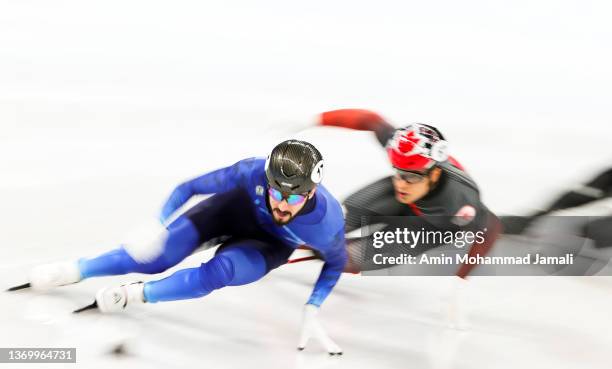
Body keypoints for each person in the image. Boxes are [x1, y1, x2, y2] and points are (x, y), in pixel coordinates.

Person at [24, 139, 347, 354]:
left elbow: (335, 262)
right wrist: (158, 223)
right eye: (276, 191)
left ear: (310, 193)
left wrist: (313, 306)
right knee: (154, 256)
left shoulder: (326, 222)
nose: (281, 203)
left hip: (270, 244)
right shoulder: (252, 171)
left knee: (218, 273)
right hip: (230, 211)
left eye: (292, 197)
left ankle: (134, 295)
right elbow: (190, 187)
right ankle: (74, 270)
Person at [316, 109, 501, 277]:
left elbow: (490, 227)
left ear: (435, 174)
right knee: (339, 219)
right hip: (410, 199)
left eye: (410, 177)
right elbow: (370, 120)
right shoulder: (403, 150)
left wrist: (461, 277)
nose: (401, 184)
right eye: (398, 171)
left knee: (350, 257)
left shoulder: (460, 199)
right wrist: (319, 119)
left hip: (432, 225)